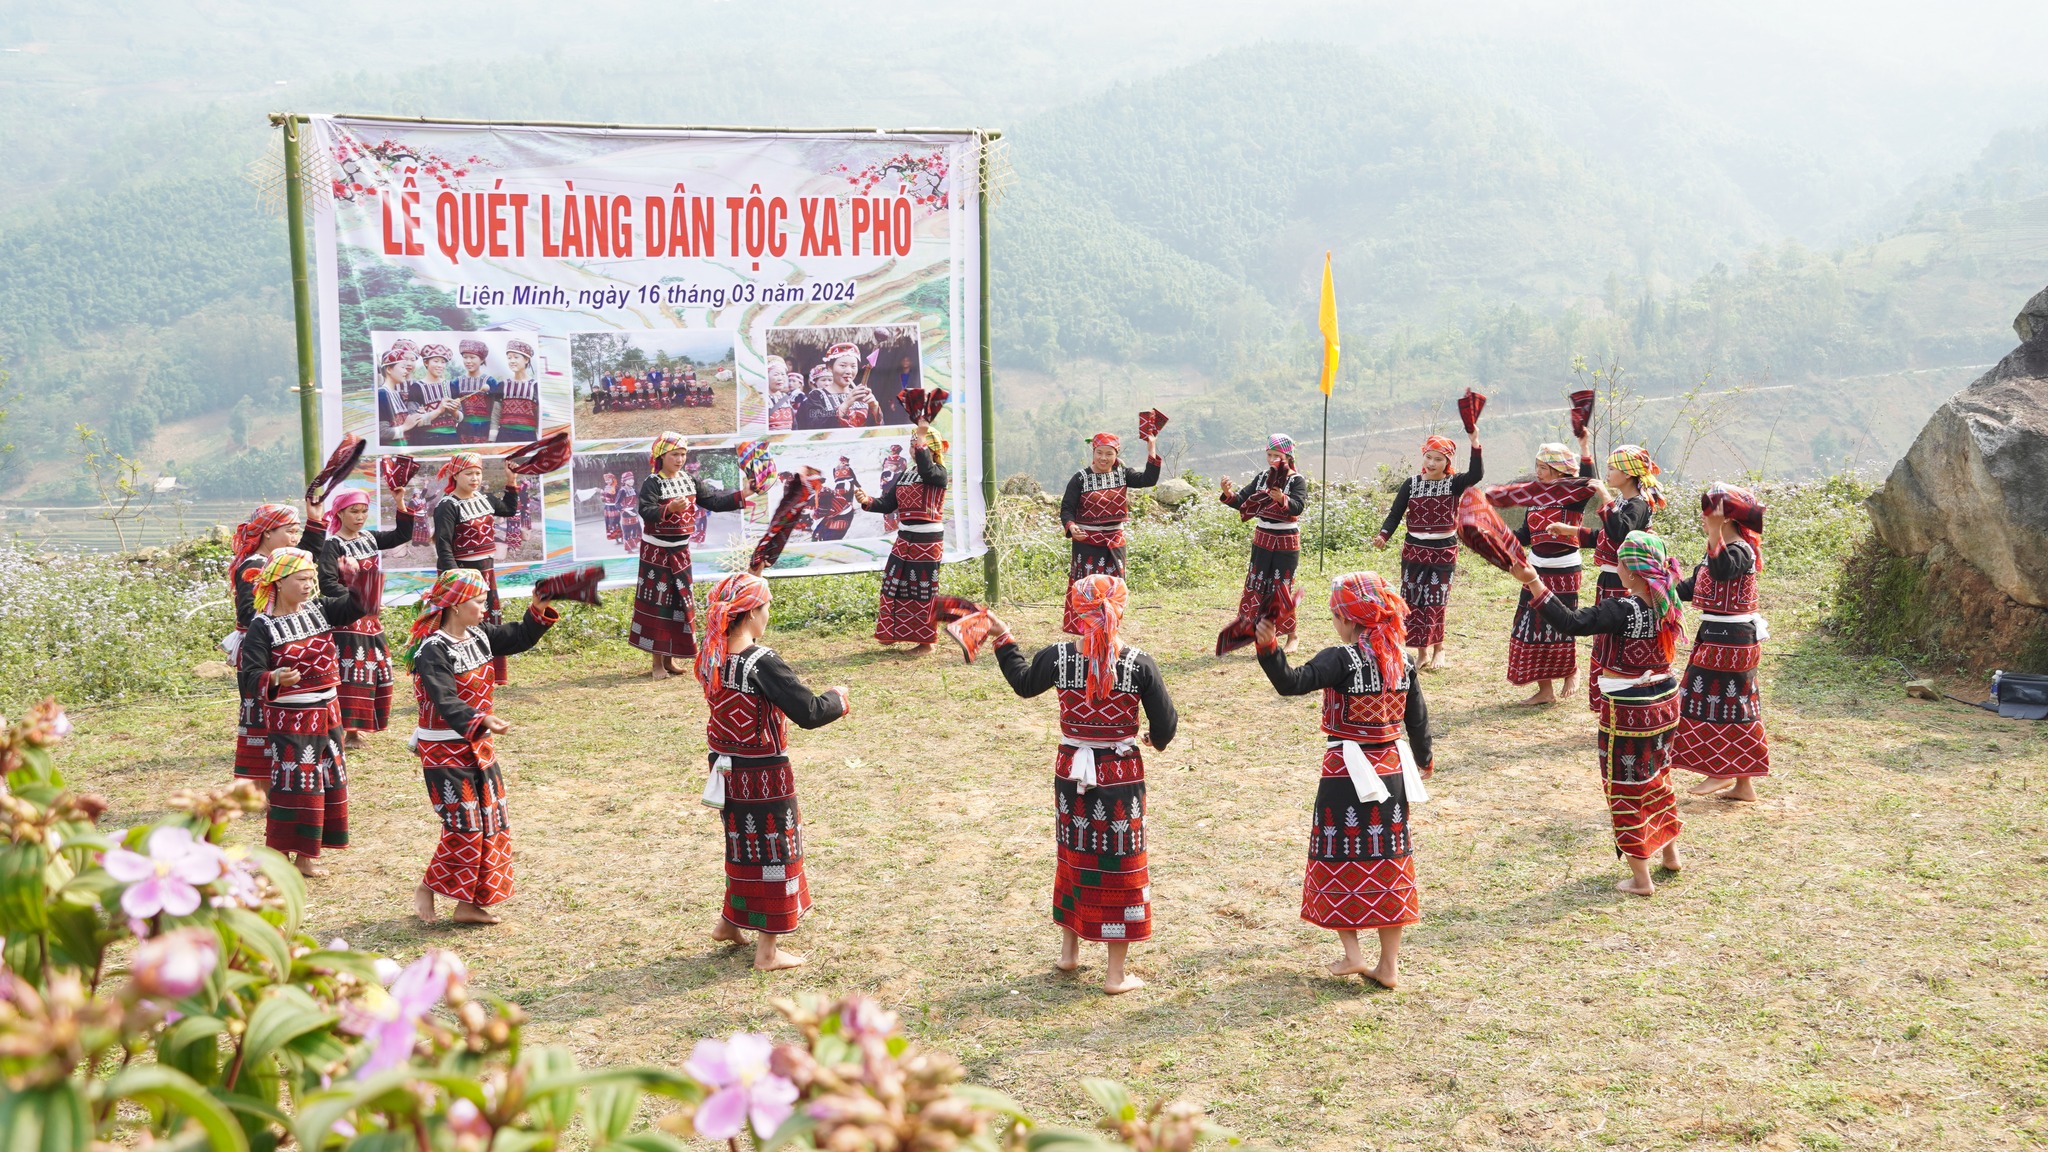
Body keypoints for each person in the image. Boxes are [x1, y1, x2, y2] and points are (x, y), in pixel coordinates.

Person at [988, 575, 1178, 995]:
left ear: (1077, 611)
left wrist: (1004, 638)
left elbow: (1022, 683)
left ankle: (1069, 953)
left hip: (1071, 770)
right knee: (1120, 862)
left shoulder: (1057, 658)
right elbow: (1165, 723)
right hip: (1120, 775)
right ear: (1121, 609)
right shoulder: (1138, 664)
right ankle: (1115, 975)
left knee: (1074, 854)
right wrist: (1154, 740)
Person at [1254, 572, 1431, 987]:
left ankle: (1353, 954)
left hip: (1346, 772)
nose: (1334, 622)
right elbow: (1417, 716)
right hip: (1390, 769)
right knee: (1389, 862)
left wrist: (1269, 649)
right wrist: (1423, 757)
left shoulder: (1340, 658)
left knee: (1341, 855)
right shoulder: (1400, 660)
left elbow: (1292, 683)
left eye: (1336, 614)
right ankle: (1388, 965)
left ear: (1350, 620)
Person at [1512, 531, 1686, 896]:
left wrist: (1533, 582)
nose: (1616, 566)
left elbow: (1571, 623)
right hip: (1666, 701)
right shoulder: (1666, 603)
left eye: (1620, 561)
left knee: (1626, 787)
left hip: (1630, 710)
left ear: (1631, 571)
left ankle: (1642, 880)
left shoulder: (1622, 609)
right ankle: (1670, 854)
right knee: (1658, 776)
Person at [697, 572, 850, 971]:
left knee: (743, 846)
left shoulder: (711, 653)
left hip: (725, 770)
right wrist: (839, 698)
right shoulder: (759, 662)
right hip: (764, 775)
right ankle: (767, 952)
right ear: (750, 614)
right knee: (776, 853)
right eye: (765, 608)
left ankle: (728, 924)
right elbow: (810, 712)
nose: (768, 617)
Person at [406, 569, 564, 925]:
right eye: (479, 601)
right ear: (457, 605)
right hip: (445, 749)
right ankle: (427, 886)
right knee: (464, 824)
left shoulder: (479, 636)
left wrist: (537, 610)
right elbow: (444, 698)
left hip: (478, 743)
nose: (485, 607)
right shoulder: (432, 650)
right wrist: (481, 720)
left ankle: (467, 905)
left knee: (491, 820)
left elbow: (520, 636)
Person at [237, 547, 364, 877]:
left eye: (311, 579)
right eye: (301, 579)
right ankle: (280, 857)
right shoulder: (262, 626)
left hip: (329, 711)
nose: (309, 585)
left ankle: (308, 857)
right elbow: (250, 675)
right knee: (297, 786)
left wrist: (358, 579)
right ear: (278, 583)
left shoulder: (319, 610)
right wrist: (275, 677)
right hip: (292, 718)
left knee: (326, 782)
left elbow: (359, 606)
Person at [1671, 484, 1770, 801]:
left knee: (1716, 704)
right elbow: (1689, 589)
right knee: (1735, 705)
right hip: (1719, 638)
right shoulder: (1719, 547)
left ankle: (1722, 771)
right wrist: (1656, 579)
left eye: (1710, 514)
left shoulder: (1740, 550)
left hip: (1732, 642)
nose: (1704, 519)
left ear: (1726, 519)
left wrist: (1714, 534)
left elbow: (1722, 569)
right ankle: (1743, 784)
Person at [1483, 431, 1597, 704]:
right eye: (1537, 466)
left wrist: (1584, 446)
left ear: (1560, 470)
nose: (1538, 472)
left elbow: (1588, 480)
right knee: (1532, 625)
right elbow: (1526, 534)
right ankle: (1545, 690)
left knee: (1561, 622)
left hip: (1565, 570)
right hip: (1536, 568)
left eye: (1543, 468)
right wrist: (1496, 532)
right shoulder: (1535, 497)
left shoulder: (1574, 495)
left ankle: (1571, 669)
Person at [632, 432, 752, 678]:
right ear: (661, 455)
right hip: (657, 552)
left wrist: (744, 494)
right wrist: (669, 508)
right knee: (659, 604)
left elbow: (714, 502)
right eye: (674, 454)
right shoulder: (652, 482)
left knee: (679, 603)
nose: (680, 459)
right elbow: (646, 511)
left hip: (681, 550)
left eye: (683, 454)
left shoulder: (690, 480)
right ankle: (657, 665)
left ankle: (670, 660)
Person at [229, 501, 324, 786]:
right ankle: (260, 789)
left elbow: (304, 564)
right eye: (290, 531)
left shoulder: (275, 564)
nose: (295, 537)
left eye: (298, 531)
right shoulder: (254, 566)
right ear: (267, 533)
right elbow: (247, 612)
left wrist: (316, 522)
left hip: (280, 642)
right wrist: (279, 611)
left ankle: (281, 782)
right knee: (261, 720)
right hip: (263, 648)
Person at [1372, 430, 1483, 670]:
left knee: (1436, 600)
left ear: (1447, 462)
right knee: (1413, 600)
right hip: (1414, 550)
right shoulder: (1411, 484)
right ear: (1423, 457)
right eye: (1429, 457)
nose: (1432, 463)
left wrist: (1475, 443)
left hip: (1443, 550)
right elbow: (1395, 514)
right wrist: (1384, 535)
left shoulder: (1454, 484)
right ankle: (1421, 651)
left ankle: (1439, 648)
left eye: (1439, 459)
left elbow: (1476, 474)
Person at [317, 484, 416, 745]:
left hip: (370, 618)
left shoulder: (369, 538)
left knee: (375, 669)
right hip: (347, 620)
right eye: (353, 511)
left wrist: (400, 502)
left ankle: (356, 728)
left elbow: (403, 533)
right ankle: (346, 730)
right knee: (351, 673)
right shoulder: (333, 546)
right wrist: (358, 600)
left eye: (363, 511)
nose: (359, 517)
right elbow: (328, 583)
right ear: (338, 514)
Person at [1577, 445, 1664, 711]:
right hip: (1611, 580)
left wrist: (1604, 495)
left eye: (1613, 468)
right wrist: (1572, 531)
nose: (1608, 473)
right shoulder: (1628, 502)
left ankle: (1621, 701)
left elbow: (1618, 532)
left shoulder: (1637, 504)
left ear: (1628, 474)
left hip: (1623, 584)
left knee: (1617, 640)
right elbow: (1606, 536)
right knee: (1605, 639)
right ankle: (1607, 703)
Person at [857, 420, 948, 652]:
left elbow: (926, 468)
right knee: (893, 584)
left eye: (917, 443)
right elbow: (888, 504)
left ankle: (926, 643)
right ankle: (891, 633)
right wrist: (867, 501)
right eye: (912, 443)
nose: (913, 447)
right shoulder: (905, 475)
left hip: (927, 541)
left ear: (930, 447)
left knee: (922, 588)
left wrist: (921, 433)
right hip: (904, 538)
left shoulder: (938, 473)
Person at [431, 453, 522, 685]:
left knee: (487, 620)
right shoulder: (447, 506)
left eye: (478, 473)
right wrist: (456, 581)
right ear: (456, 475)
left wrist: (511, 481)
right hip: (463, 575)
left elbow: (509, 509)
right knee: (461, 624)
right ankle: (461, 674)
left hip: (486, 574)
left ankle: (488, 673)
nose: (474, 478)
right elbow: (443, 544)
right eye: (468, 473)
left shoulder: (485, 499)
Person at [1216, 434, 1311, 656]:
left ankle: (1292, 635)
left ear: (1287, 456)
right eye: (1269, 455)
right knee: (1257, 584)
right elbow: (1243, 502)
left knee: (1281, 588)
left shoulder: (1296, 480)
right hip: (1262, 539)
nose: (1271, 460)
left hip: (1286, 541)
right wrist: (1229, 493)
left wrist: (1282, 500)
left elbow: (1298, 507)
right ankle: (1258, 633)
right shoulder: (1261, 479)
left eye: (1276, 456)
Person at [1058, 431, 1162, 630]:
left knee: (1114, 586)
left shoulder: (1123, 474)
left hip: (1114, 542)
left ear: (1116, 454)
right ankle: (1085, 628)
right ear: (1093, 452)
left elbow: (1148, 480)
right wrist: (1071, 526)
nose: (1103, 458)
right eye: (1099, 453)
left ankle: (1109, 627)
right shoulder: (1080, 478)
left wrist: (1151, 448)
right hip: (1087, 543)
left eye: (1109, 454)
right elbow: (1067, 508)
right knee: (1087, 586)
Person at [794, 345, 883, 429]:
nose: (849, 371)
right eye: (843, 366)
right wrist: (846, 404)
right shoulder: (816, 396)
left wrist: (874, 408)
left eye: (853, 366)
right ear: (830, 367)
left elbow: (876, 432)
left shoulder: (862, 396)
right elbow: (814, 427)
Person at [406, 343, 463, 446]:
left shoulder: (451, 386)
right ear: (426, 362)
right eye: (436, 361)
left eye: (443, 362)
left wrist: (454, 411)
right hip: (426, 439)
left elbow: (461, 417)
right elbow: (415, 421)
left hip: (451, 437)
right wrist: (439, 410)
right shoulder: (416, 388)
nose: (440, 365)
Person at [376, 342, 429, 447]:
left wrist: (419, 415)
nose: (406, 371)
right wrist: (405, 426)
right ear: (389, 369)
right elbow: (382, 433)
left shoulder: (396, 394)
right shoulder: (382, 394)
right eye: (402, 367)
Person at [453, 338, 498, 444]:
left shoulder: (490, 381)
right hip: (464, 429)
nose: (468, 361)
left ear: (482, 360)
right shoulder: (456, 382)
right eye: (465, 357)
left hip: (485, 429)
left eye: (472, 357)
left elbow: (496, 409)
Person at [497, 339, 541, 443]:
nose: (512, 361)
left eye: (516, 357)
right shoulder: (502, 385)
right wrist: (493, 434)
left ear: (526, 360)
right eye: (509, 358)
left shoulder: (536, 386)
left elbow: (539, 414)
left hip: (528, 435)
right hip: (504, 434)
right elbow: (496, 412)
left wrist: (539, 435)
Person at [876, 444, 908, 533]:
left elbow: (883, 484)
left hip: (891, 493)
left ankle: (892, 528)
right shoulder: (901, 461)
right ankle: (892, 527)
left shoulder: (889, 462)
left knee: (892, 511)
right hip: (893, 492)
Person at [765, 356, 796, 431]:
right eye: (776, 374)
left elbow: (794, 426)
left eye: (783, 374)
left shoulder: (786, 398)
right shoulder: (761, 399)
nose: (780, 378)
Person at [601, 472, 623, 542]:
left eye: (609, 480)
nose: (607, 481)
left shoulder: (616, 487)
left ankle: (622, 537)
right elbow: (604, 498)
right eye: (606, 480)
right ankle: (616, 538)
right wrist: (602, 497)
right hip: (607, 507)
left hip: (614, 507)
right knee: (610, 523)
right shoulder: (605, 487)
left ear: (613, 479)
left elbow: (613, 496)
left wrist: (602, 492)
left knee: (615, 522)